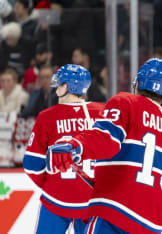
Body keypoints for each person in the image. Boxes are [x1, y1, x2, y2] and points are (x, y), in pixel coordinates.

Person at [46, 58, 162, 234]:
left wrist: (74, 145)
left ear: (137, 83)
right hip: (152, 222)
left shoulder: (126, 102)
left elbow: (105, 138)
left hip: (115, 211)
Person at [22, 64, 105, 233]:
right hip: (92, 202)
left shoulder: (47, 117)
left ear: (66, 87)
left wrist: (49, 184)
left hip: (56, 200)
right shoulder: (103, 113)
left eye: (59, 84)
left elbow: (32, 164)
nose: (56, 87)